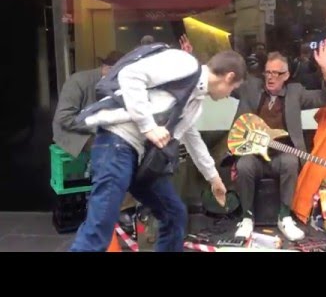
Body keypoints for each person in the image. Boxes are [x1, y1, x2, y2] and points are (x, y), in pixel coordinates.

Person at [69, 44, 247, 252]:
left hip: (141, 157)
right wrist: (148, 127)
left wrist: (214, 178)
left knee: (174, 214)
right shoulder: (184, 63)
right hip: (117, 142)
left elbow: (192, 138)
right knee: (100, 226)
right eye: (233, 88)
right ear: (229, 77)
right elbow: (130, 75)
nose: (229, 95)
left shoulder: (195, 102)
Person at [230, 40, 326, 241]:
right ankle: (246, 217)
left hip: (281, 154)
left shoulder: (295, 92)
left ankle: (284, 216)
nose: (270, 77)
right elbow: (225, 83)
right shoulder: (251, 88)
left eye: (276, 73)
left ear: (286, 76)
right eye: (268, 72)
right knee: (244, 166)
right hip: (253, 155)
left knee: (290, 161)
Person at [52, 50, 124, 158]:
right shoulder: (78, 81)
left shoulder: (116, 84)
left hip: (102, 128)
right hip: (73, 133)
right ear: (108, 68)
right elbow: (64, 118)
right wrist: (95, 127)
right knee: (112, 147)